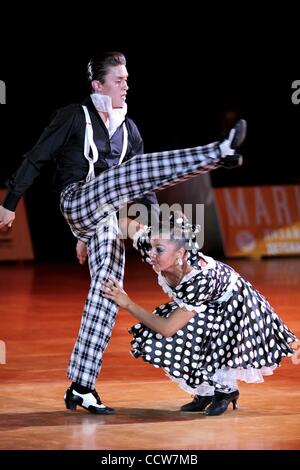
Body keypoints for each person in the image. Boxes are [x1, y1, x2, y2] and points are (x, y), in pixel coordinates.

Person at [0, 51, 247, 415]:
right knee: (125, 175)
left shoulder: (129, 129)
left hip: (106, 218)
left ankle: (81, 387)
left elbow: (144, 189)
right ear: (98, 85)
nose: (126, 85)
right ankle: (218, 151)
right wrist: (10, 201)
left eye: (127, 79)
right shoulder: (73, 116)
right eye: (119, 80)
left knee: (107, 289)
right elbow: (36, 157)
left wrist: (152, 225)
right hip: (77, 202)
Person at [101, 213, 297, 416]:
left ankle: (225, 391)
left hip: (236, 305)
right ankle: (205, 391)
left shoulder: (198, 279)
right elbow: (122, 222)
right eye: (151, 247)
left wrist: (127, 303)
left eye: (158, 250)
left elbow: (168, 329)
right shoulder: (154, 246)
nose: (151, 254)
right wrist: (84, 236)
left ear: (180, 253)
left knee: (202, 340)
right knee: (157, 338)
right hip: (206, 303)